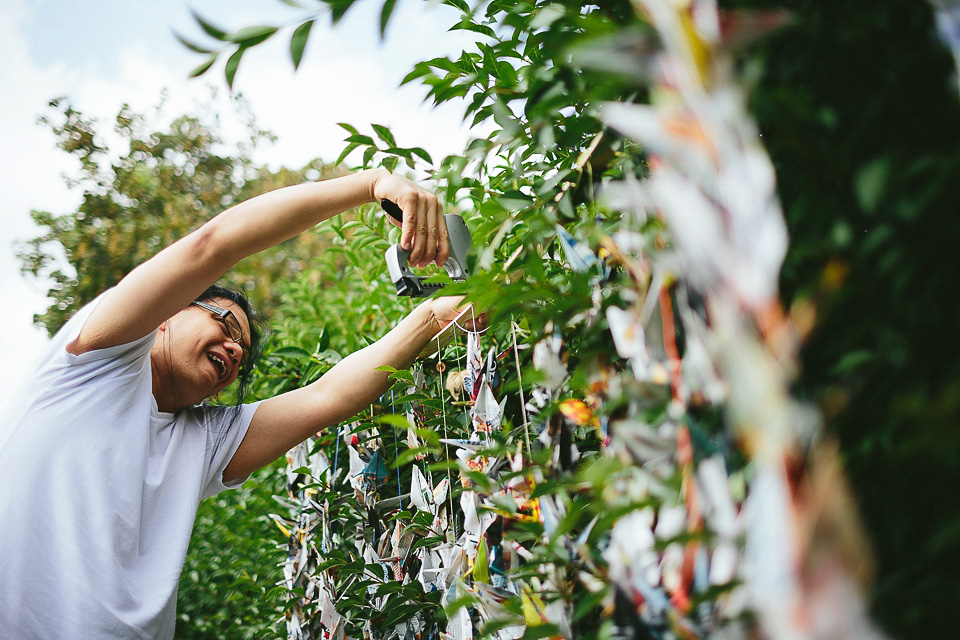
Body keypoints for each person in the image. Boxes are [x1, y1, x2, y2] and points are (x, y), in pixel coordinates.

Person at [0, 168, 474, 639]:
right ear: (167, 315)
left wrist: (431, 318)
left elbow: (325, 397)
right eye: (226, 327)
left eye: (240, 355)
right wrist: (371, 184)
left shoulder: (200, 441)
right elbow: (213, 244)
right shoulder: (96, 366)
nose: (233, 351)